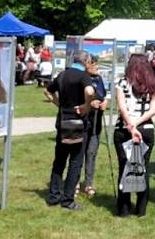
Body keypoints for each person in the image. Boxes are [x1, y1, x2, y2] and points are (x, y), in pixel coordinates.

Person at [43, 49, 95, 211]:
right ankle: (67, 199)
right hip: (79, 124)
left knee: (59, 161)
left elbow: (47, 91)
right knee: (75, 162)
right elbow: (90, 91)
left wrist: (59, 104)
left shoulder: (62, 75)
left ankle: (53, 196)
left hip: (63, 122)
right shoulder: (83, 76)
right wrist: (86, 105)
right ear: (85, 62)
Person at [114, 54, 155, 216]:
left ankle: (123, 209)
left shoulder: (122, 83)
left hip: (124, 129)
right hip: (146, 129)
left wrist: (131, 126)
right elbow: (153, 109)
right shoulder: (153, 85)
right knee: (143, 168)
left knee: (124, 167)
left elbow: (122, 107)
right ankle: (141, 209)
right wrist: (138, 123)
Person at [80, 55, 107, 198]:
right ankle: (75, 183)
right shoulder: (81, 78)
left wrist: (104, 103)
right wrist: (90, 104)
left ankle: (89, 183)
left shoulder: (99, 79)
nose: (98, 67)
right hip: (83, 123)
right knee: (79, 153)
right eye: (95, 65)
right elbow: (77, 99)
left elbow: (103, 95)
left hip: (96, 123)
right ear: (87, 65)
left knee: (92, 153)